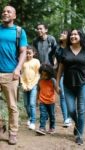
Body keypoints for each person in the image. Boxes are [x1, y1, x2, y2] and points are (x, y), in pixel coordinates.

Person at [56, 29, 85, 145]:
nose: (73, 36)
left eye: (75, 34)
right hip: (67, 85)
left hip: (83, 84)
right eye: (71, 34)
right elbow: (60, 70)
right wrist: (57, 84)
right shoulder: (65, 51)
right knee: (71, 109)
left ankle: (79, 135)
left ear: (81, 36)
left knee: (81, 110)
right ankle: (78, 124)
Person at [0, 6, 28, 145]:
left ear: (14, 16)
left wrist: (18, 69)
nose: (5, 13)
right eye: (4, 11)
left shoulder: (19, 32)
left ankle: (13, 133)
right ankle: (0, 126)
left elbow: (23, 52)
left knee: (12, 106)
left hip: (10, 74)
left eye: (8, 11)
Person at [20, 45, 40, 130]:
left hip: (33, 86)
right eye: (26, 53)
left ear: (34, 53)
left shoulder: (36, 61)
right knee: (26, 105)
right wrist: (24, 85)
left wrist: (31, 85)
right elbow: (21, 74)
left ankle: (32, 122)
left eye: (30, 53)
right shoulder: (22, 62)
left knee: (32, 104)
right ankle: (30, 117)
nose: (28, 55)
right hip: (25, 86)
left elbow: (37, 74)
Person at [55, 30, 72, 127]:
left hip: (71, 75)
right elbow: (57, 63)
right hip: (61, 75)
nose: (61, 34)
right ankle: (66, 118)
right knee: (62, 95)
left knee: (70, 96)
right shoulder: (57, 49)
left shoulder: (72, 48)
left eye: (64, 33)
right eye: (61, 33)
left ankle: (69, 116)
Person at [36, 64, 56, 135]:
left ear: (50, 74)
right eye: (42, 74)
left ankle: (52, 127)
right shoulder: (40, 80)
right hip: (42, 101)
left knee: (52, 115)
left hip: (51, 101)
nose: (43, 76)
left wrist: (59, 90)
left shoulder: (52, 80)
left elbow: (56, 89)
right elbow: (38, 90)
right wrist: (37, 99)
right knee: (43, 114)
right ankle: (42, 128)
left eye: (45, 75)